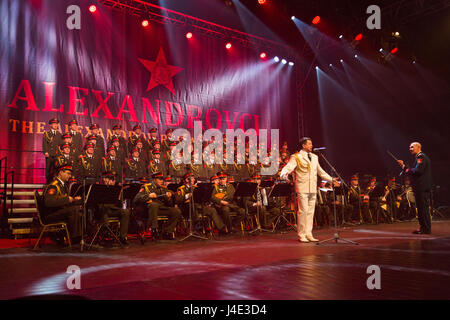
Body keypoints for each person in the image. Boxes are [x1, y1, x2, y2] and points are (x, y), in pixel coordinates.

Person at [280, 137, 336, 243]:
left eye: (311, 143)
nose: (311, 145)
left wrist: (332, 180)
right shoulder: (296, 157)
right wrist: (283, 174)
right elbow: (288, 167)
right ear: (303, 145)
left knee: (310, 211)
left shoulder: (315, 157)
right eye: (309, 144)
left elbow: (321, 172)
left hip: (312, 187)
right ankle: (302, 234)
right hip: (302, 187)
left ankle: (309, 233)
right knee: (303, 211)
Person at [133, 172, 181, 240]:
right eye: (160, 179)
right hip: (149, 210)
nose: (162, 181)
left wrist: (169, 198)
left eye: (162, 179)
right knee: (154, 205)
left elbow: (169, 204)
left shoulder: (164, 188)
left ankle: (167, 232)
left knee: (176, 211)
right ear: (154, 180)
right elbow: (136, 199)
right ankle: (154, 229)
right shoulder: (147, 187)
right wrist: (148, 196)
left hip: (160, 209)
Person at [397, 142, 432, 234]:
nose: (410, 149)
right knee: (421, 209)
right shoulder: (419, 157)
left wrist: (406, 169)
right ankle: (423, 228)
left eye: (412, 147)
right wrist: (404, 167)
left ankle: (426, 229)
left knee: (423, 209)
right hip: (420, 188)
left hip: (422, 188)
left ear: (418, 147)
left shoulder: (421, 157)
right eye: (409, 147)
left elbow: (418, 171)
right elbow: (414, 171)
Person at [42, 164, 82, 244]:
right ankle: (75, 239)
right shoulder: (53, 186)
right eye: (68, 173)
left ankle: (81, 236)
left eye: (70, 174)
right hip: (51, 214)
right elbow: (48, 202)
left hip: (58, 211)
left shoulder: (63, 185)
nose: (69, 176)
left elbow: (63, 200)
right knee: (73, 210)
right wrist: (67, 199)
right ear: (60, 173)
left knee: (79, 208)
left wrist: (74, 200)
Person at [97, 172, 130, 245]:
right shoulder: (99, 188)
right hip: (103, 210)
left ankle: (123, 237)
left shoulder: (116, 189)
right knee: (104, 210)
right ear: (105, 179)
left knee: (126, 212)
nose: (114, 181)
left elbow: (119, 205)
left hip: (113, 210)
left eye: (114, 180)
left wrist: (119, 195)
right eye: (112, 179)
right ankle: (105, 233)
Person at [42, 118, 63, 183]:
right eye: (54, 124)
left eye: (56, 124)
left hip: (57, 155)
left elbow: (61, 145)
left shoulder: (59, 134)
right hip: (49, 155)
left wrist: (60, 154)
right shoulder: (47, 133)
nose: (55, 125)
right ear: (50, 125)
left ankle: (55, 184)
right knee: (48, 170)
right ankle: (48, 184)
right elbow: (44, 143)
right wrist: (45, 152)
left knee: (56, 170)